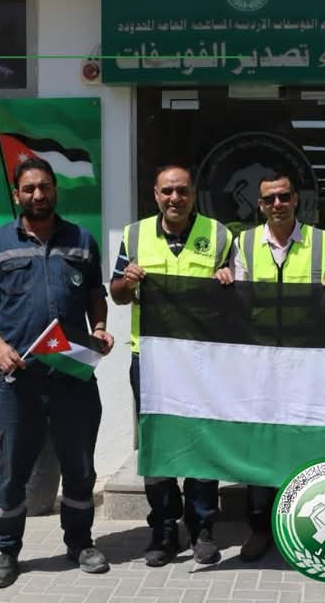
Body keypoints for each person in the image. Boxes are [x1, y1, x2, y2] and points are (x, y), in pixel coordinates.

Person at [0, 158, 114, 588]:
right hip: (19, 380)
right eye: (29, 188)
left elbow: (95, 294)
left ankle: (80, 542)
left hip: (72, 374)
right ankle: (5, 550)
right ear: (16, 195)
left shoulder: (81, 240)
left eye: (45, 186)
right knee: (12, 469)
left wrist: (99, 328)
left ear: (55, 190)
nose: (38, 194)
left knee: (80, 466)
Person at [108, 164, 235, 567]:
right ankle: (163, 530)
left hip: (202, 359)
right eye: (167, 191)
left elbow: (237, 297)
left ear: (193, 194)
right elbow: (117, 294)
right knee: (157, 443)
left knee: (201, 439)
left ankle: (202, 527)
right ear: (155, 194)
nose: (174, 198)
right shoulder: (134, 235)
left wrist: (228, 280)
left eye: (182, 191)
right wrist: (127, 281)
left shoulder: (219, 235)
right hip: (151, 359)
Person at [231, 171, 325, 561]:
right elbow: (237, 303)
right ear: (260, 205)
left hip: (307, 362)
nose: (277, 204)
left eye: (283, 196)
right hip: (259, 364)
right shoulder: (244, 243)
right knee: (261, 444)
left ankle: (301, 523)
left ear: (296, 199)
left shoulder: (322, 242)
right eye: (269, 199)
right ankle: (260, 528)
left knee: (304, 443)